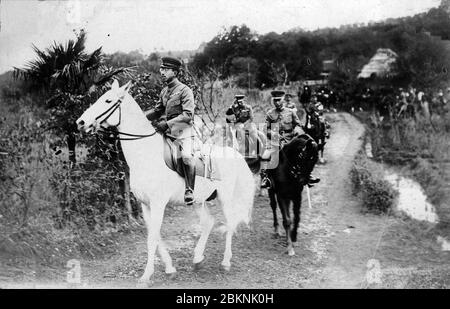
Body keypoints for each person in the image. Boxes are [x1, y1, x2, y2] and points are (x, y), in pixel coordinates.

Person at [144, 56, 197, 205]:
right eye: (161, 69)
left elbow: (187, 115)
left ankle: (189, 190)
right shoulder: (164, 91)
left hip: (184, 131)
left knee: (186, 156)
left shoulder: (185, 90)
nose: (162, 72)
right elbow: (156, 111)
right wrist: (140, 116)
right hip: (167, 132)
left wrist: (167, 124)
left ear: (174, 72)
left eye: (166, 69)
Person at [260, 90, 320, 188]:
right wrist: (274, 135)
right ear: (273, 101)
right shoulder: (270, 113)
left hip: (291, 140)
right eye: (275, 100)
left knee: (304, 154)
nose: (277, 102)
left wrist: (297, 130)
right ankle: (266, 178)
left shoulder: (290, 112)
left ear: (283, 100)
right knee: (266, 155)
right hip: (276, 140)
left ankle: (307, 176)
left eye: (279, 100)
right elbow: (265, 129)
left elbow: (298, 124)